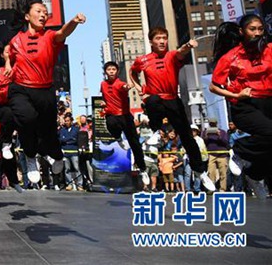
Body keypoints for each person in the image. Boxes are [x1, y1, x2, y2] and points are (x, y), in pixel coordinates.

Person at [2, 0, 86, 185]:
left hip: (44, 90)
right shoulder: (16, 40)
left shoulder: (49, 36)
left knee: (48, 131)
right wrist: (8, 65)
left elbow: (63, 32)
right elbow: (9, 55)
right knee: (26, 119)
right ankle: (30, 156)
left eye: (45, 12)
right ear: (27, 16)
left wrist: (73, 21)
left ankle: (56, 156)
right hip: (21, 88)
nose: (43, 15)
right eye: (39, 11)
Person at [130, 27, 216, 192]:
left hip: (173, 100)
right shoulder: (143, 60)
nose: (162, 41)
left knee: (187, 137)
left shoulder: (171, 56)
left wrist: (188, 46)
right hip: (155, 99)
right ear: (151, 41)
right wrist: (140, 89)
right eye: (158, 38)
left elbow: (181, 52)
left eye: (164, 38)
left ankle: (200, 172)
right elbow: (133, 73)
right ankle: (154, 129)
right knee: (152, 100)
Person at [209, 15, 272, 195]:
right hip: (245, 105)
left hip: (268, 102)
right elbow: (214, 86)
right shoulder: (231, 57)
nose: (257, 33)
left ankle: (255, 173)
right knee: (270, 132)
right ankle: (239, 150)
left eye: (260, 29)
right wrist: (236, 95)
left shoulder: (269, 50)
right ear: (241, 31)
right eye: (252, 29)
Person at [100, 61, 149, 187]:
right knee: (110, 123)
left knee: (135, 144)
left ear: (117, 72)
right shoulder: (103, 84)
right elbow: (105, 97)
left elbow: (124, 87)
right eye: (109, 69)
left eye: (113, 69)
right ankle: (118, 138)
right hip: (112, 114)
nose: (111, 71)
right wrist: (104, 103)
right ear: (105, 72)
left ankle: (143, 169)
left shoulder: (120, 83)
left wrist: (129, 86)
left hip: (125, 115)